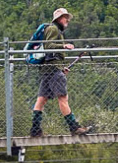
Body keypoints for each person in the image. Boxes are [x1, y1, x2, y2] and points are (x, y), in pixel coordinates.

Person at [29, 8, 91, 137]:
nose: (67, 20)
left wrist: (61, 68)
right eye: (65, 17)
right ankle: (74, 127)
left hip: (49, 69)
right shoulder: (53, 29)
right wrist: (64, 46)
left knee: (41, 99)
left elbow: (51, 52)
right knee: (63, 98)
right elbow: (49, 46)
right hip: (53, 69)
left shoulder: (55, 30)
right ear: (58, 19)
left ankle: (35, 130)